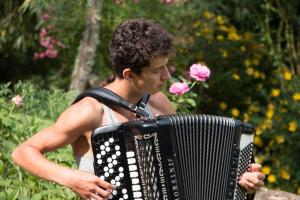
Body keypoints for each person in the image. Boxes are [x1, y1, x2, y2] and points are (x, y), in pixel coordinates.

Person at [12, 18, 265, 200]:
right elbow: (23, 152)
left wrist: (239, 180)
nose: (167, 76)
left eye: (167, 66)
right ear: (129, 74)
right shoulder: (91, 111)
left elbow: (190, 169)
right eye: (158, 70)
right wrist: (71, 178)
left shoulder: (158, 103)